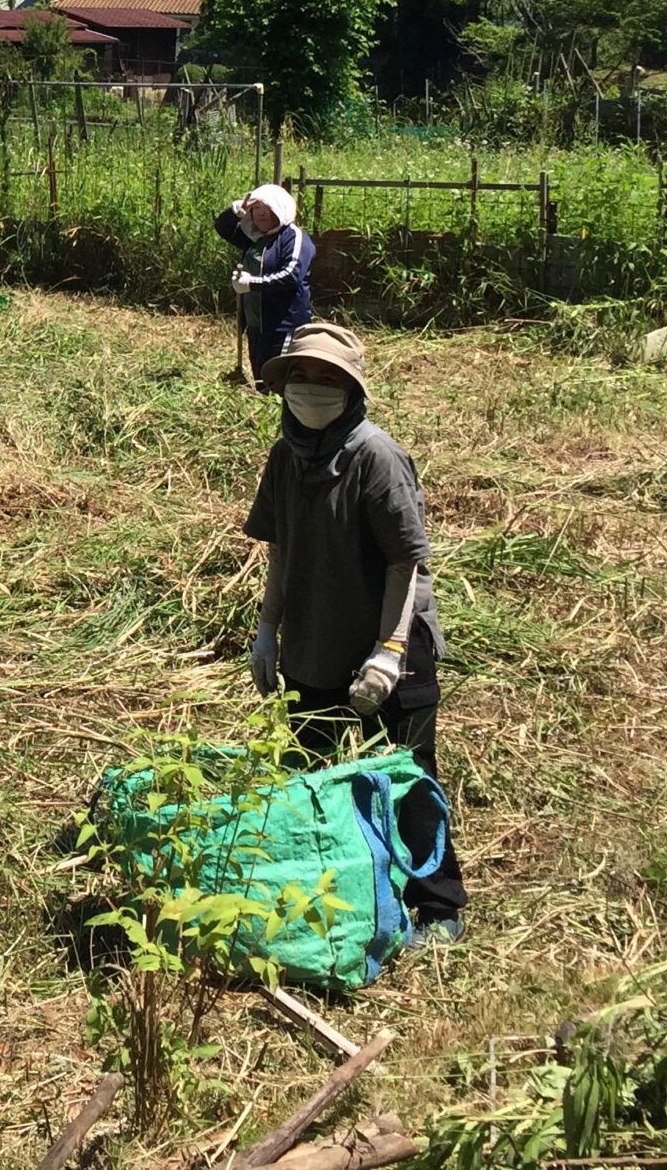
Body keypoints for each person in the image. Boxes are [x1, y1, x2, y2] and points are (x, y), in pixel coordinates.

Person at [243, 321, 467, 939]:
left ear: (351, 388)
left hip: (389, 644)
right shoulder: (287, 455)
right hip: (317, 635)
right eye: (302, 376)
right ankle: (345, 892)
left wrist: (389, 652)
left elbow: (406, 561)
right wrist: (268, 629)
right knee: (314, 775)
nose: (311, 388)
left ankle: (440, 906)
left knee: (406, 773)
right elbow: (282, 548)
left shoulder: (377, 456)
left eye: (327, 378)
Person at [215, 182, 315, 376]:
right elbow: (223, 227)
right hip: (256, 324)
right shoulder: (255, 238)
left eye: (268, 208)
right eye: (257, 208)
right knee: (261, 377)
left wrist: (251, 283)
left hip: (284, 324)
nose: (261, 213)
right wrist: (236, 212)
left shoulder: (294, 238)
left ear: (280, 209)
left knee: (281, 378)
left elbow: (291, 275)